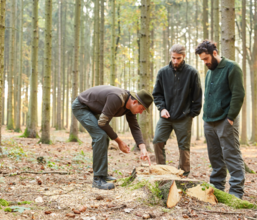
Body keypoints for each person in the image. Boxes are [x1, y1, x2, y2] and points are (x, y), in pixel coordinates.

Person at [72, 85, 152, 190]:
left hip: (92, 109)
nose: (141, 112)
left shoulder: (130, 106)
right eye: (141, 109)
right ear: (134, 102)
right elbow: (102, 123)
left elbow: (134, 127)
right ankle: (97, 180)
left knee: (104, 136)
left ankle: (102, 174)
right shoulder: (117, 98)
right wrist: (119, 142)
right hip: (81, 106)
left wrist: (143, 148)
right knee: (100, 135)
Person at [195, 40, 245, 199]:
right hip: (209, 121)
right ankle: (216, 188)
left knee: (231, 155)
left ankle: (236, 191)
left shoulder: (232, 67)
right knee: (215, 156)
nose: (205, 63)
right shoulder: (210, 71)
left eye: (206, 59)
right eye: (202, 60)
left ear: (214, 53)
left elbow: (238, 94)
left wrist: (230, 117)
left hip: (225, 120)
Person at [152, 44, 202, 176]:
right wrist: (162, 108)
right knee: (157, 140)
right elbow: (157, 94)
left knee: (184, 147)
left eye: (178, 58)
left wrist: (191, 114)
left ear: (184, 56)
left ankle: (184, 174)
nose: (175, 61)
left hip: (184, 117)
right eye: (173, 58)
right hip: (166, 116)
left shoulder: (192, 73)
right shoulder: (163, 72)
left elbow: (197, 96)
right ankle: (161, 171)